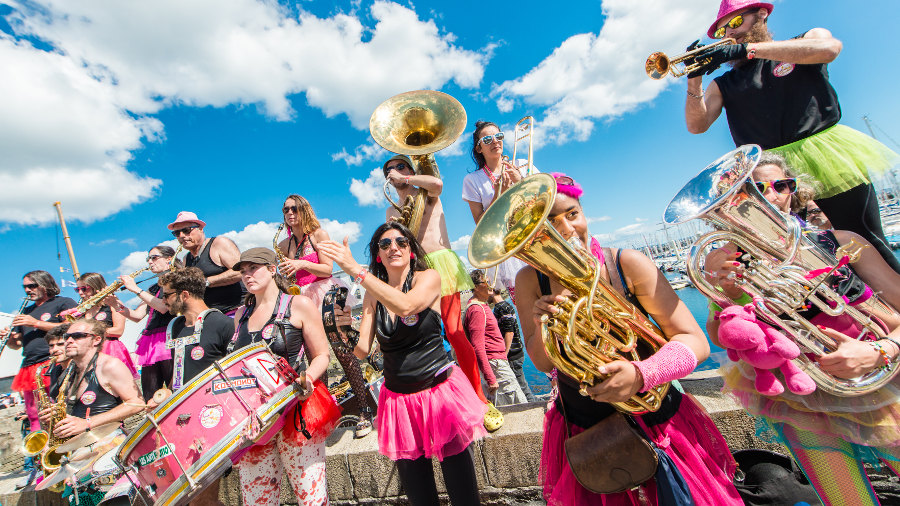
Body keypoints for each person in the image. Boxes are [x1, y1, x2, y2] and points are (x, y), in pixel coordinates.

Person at [515, 173, 742, 505]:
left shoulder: (626, 264)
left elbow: (695, 341)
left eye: (572, 213)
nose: (565, 229)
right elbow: (541, 361)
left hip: (657, 419)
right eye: (550, 222)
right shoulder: (529, 280)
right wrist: (543, 325)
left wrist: (641, 375)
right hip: (587, 431)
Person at [704, 152, 900, 506]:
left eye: (782, 185)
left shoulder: (842, 241)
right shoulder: (728, 262)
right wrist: (727, 294)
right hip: (803, 400)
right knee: (846, 500)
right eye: (755, 188)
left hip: (883, 379)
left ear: (795, 191)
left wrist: (879, 350)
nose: (771, 195)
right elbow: (723, 337)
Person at [684, 0, 900, 272]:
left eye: (736, 23)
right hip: (771, 176)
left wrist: (748, 49)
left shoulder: (802, 42)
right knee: (793, 255)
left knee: (867, 240)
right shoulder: (724, 83)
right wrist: (694, 79)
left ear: (761, 15)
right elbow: (697, 125)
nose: (730, 33)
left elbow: (830, 48)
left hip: (826, 157)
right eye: (724, 30)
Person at [318, 223, 486, 506]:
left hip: (438, 394)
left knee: (463, 492)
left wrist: (358, 272)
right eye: (385, 244)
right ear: (379, 255)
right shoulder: (373, 294)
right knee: (420, 496)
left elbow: (407, 306)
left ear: (410, 250)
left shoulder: (429, 278)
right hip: (399, 403)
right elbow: (361, 351)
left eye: (401, 241)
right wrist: (343, 329)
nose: (393, 247)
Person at [383, 155, 492, 419]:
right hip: (416, 272)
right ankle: (443, 402)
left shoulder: (426, 192)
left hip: (441, 263)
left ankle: (480, 399)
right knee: (426, 337)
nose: (394, 171)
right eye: (389, 170)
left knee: (455, 332)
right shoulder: (391, 211)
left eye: (401, 166)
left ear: (410, 169)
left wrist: (407, 179)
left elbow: (438, 183)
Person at [231, 247, 339, 506]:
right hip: (255, 420)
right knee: (257, 500)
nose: (247, 276)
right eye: (243, 272)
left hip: (295, 410)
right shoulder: (240, 315)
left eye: (253, 269)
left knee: (310, 496)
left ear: (271, 269)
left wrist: (308, 378)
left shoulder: (298, 304)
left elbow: (322, 354)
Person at [277, 194, 375, 437]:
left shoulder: (319, 234)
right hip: (302, 299)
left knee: (343, 351)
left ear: (304, 210)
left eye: (295, 208)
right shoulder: (282, 246)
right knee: (314, 360)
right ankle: (327, 415)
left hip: (328, 293)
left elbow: (327, 268)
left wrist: (300, 264)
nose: (290, 213)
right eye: (285, 209)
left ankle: (364, 411)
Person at [40, 318, 144, 505]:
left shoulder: (109, 365)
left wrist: (87, 423)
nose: (69, 341)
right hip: (78, 457)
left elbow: (137, 403)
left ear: (96, 339)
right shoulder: (67, 372)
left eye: (77, 336)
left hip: (107, 454)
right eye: (67, 336)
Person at [157, 266, 235, 506]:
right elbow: (179, 370)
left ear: (184, 295)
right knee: (192, 500)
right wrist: (166, 391)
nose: (163, 301)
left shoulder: (222, 323)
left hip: (211, 420)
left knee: (203, 499)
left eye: (167, 295)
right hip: (179, 420)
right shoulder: (174, 327)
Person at [0, 270, 76, 489]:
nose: (27, 290)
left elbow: (72, 327)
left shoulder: (62, 302)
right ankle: (42, 466)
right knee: (35, 416)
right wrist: (12, 338)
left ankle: (69, 458)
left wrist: (36, 323)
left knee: (58, 410)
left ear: (45, 284)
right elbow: (17, 345)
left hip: (52, 362)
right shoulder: (26, 310)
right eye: (25, 286)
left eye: (32, 285)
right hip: (29, 366)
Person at [461, 121, 530, 299]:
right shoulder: (472, 179)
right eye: (487, 139)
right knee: (527, 302)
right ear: (478, 148)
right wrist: (498, 197)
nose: (495, 142)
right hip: (508, 247)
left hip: (533, 235)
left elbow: (544, 197)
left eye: (499, 136)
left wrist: (521, 181)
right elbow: (480, 223)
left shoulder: (521, 164)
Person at [118, 245, 181, 401]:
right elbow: (137, 315)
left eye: (154, 257)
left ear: (169, 259)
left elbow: (163, 307)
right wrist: (115, 304)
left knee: (174, 389)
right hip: (151, 341)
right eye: (148, 259)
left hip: (169, 335)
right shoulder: (153, 287)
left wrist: (135, 289)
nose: (150, 262)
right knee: (150, 394)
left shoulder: (176, 278)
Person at [465, 269, 527, 407]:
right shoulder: (476, 309)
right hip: (495, 365)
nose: (490, 285)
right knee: (516, 405)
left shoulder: (482, 306)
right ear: (475, 287)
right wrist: (490, 377)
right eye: (486, 282)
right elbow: (478, 346)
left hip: (497, 362)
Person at [168, 211, 244, 315]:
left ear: (200, 228)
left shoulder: (219, 243)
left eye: (186, 230)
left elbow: (240, 271)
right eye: (177, 233)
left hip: (236, 311)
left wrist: (206, 282)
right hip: (211, 316)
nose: (181, 235)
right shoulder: (186, 258)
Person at [69, 272, 137, 378]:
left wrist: (90, 331)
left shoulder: (113, 303)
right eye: (77, 290)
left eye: (84, 289)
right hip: (88, 351)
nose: (80, 293)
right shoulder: (81, 309)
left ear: (95, 287)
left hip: (109, 348)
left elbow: (118, 331)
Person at [490, 287, 535, 402]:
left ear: (492, 291)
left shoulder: (502, 308)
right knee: (521, 384)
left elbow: (509, 332)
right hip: (516, 351)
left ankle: (533, 405)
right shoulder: (503, 306)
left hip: (513, 354)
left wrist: (505, 353)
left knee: (521, 386)